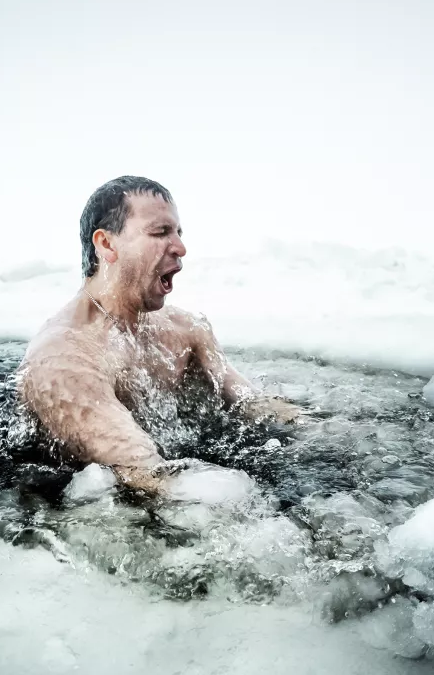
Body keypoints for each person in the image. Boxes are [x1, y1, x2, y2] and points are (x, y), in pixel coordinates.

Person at [16, 176, 301, 495]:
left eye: (178, 232)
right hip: (71, 503)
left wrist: (322, 431)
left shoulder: (185, 329)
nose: (180, 247)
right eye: (160, 232)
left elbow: (252, 403)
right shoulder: (64, 356)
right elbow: (143, 473)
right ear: (106, 244)